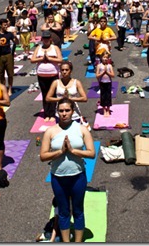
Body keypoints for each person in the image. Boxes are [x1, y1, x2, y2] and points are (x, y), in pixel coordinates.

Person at [40, 98, 95, 243]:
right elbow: (43, 156)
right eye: (61, 111)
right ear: (57, 112)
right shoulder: (50, 131)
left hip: (78, 177)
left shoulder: (82, 129)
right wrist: (60, 152)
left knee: (78, 211)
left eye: (67, 110)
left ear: (72, 112)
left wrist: (72, 150)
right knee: (63, 212)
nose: (64, 114)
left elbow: (91, 153)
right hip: (58, 177)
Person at [31, 31, 63, 122]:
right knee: (45, 94)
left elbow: (60, 59)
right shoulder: (38, 48)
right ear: (42, 39)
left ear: (50, 39)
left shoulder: (55, 48)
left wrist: (49, 58)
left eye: (47, 38)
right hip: (41, 75)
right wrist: (41, 58)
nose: (46, 40)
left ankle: (52, 113)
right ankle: (47, 113)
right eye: (44, 38)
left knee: (52, 94)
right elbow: (32, 59)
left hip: (53, 75)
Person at [0, 19, 19, 94]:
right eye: (4, 25)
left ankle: (10, 88)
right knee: (1, 73)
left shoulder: (9, 34)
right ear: (0, 25)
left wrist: (15, 37)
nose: (6, 26)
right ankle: (3, 88)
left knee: (10, 73)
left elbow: (17, 42)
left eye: (7, 24)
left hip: (8, 55)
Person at [95, 52, 115, 116]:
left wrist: (107, 72)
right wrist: (103, 72)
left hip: (108, 82)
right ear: (101, 58)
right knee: (103, 96)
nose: (105, 59)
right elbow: (97, 75)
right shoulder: (99, 66)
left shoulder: (110, 66)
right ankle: (104, 109)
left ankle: (108, 109)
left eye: (107, 58)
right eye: (104, 57)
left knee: (108, 96)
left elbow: (113, 75)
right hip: (102, 82)